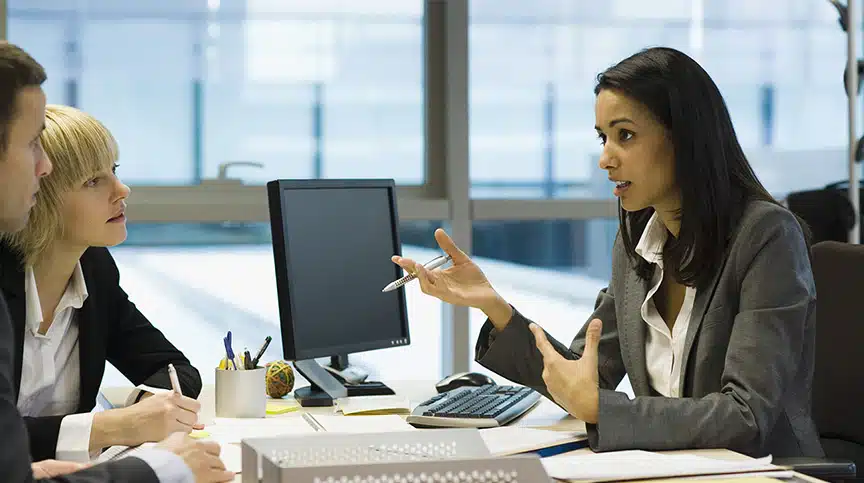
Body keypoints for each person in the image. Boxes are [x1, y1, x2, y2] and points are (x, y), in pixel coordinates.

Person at [393, 47, 823, 458]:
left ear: (685, 139)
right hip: (671, 468)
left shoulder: (766, 237)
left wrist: (602, 410)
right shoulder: (638, 245)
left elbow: (746, 416)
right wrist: (494, 306)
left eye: (625, 136)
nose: (605, 159)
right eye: (603, 137)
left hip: (761, 471)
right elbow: (584, 374)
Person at [0, 40, 232, 482]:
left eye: (115, 171)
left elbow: (173, 368)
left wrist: (150, 406)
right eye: (94, 180)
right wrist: (111, 427)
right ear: (42, 193)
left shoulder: (94, 270)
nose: (121, 191)